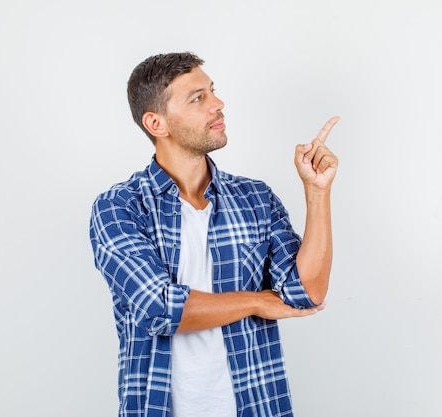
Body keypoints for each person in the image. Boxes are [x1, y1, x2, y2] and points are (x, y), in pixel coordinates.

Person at [89, 52, 339, 417]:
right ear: (157, 123)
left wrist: (317, 192)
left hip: (258, 405)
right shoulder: (118, 207)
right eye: (198, 98)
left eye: (212, 92)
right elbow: (159, 308)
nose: (218, 105)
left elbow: (306, 292)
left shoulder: (255, 198)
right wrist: (255, 302)